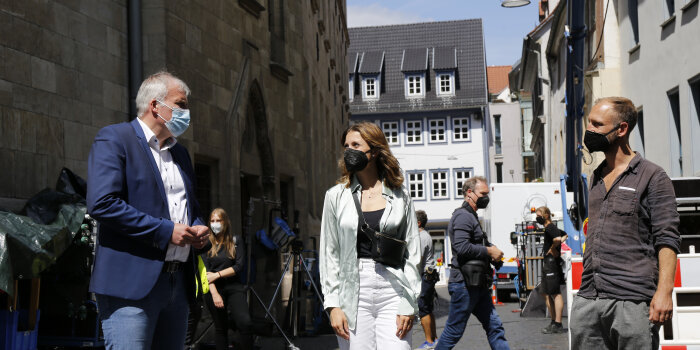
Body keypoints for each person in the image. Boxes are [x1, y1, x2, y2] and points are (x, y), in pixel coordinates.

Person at [86, 71, 210, 349]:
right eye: (181, 105)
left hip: (178, 285)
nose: (187, 113)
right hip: (131, 286)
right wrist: (166, 231)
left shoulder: (180, 153)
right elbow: (102, 203)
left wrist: (199, 229)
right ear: (156, 106)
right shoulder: (115, 139)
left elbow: (192, 209)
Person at [570, 97, 681, 350]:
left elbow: (667, 237)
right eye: (590, 123)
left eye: (597, 125)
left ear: (621, 130)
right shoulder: (596, 178)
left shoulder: (653, 176)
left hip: (632, 301)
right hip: (589, 299)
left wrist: (664, 292)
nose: (590, 130)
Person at [320, 121, 422, 350]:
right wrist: (333, 305)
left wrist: (409, 301)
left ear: (374, 151)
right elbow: (329, 253)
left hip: (393, 287)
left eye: (356, 144)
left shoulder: (400, 195)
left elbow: (413, 253)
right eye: (346, 146)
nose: (349, 151)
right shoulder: (336, 196)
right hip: (353, 291)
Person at [435, 176, 510, 350]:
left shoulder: (471, 215)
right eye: (483, 193)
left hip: (477, 283)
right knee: (454, 331)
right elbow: (461, 247)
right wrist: (489, 251)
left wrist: (491, 250)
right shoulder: (462, 216)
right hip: (464, 284)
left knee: (494, 326)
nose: (486, 197)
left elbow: (474, 245)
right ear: (469, 193)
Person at [200, 208, 253, 350]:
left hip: (234, 286)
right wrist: (215, 293)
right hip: (214, 289)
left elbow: (239, 266)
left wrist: (217, 275)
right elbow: (206, 271)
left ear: (225, 222)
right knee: (221, 327)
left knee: (245, 323)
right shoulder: (206, 244)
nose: (215, 224)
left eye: (218, 220)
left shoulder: (236, 241)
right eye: (212, 221)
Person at [535, 206, 567, 334]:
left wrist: (553, 248)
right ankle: (553, 321)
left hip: (552, 263)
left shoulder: (550, 227)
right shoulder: (550, 228)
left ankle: (557, 323)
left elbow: (558, 239)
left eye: (539, 215)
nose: (537, 218)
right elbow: (564, 235)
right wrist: (556, 246)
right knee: (545, 293)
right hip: (548, 263)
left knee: (555, 293)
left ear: (546, 215)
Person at [416, 210, 439, 349]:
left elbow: (417, 259)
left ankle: (429, 342)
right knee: (428, 308)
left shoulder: (420, 237)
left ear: (418, 223)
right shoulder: (425, 235)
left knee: (423, 308)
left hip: (425, 275)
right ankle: (434, 339)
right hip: (429, 275)